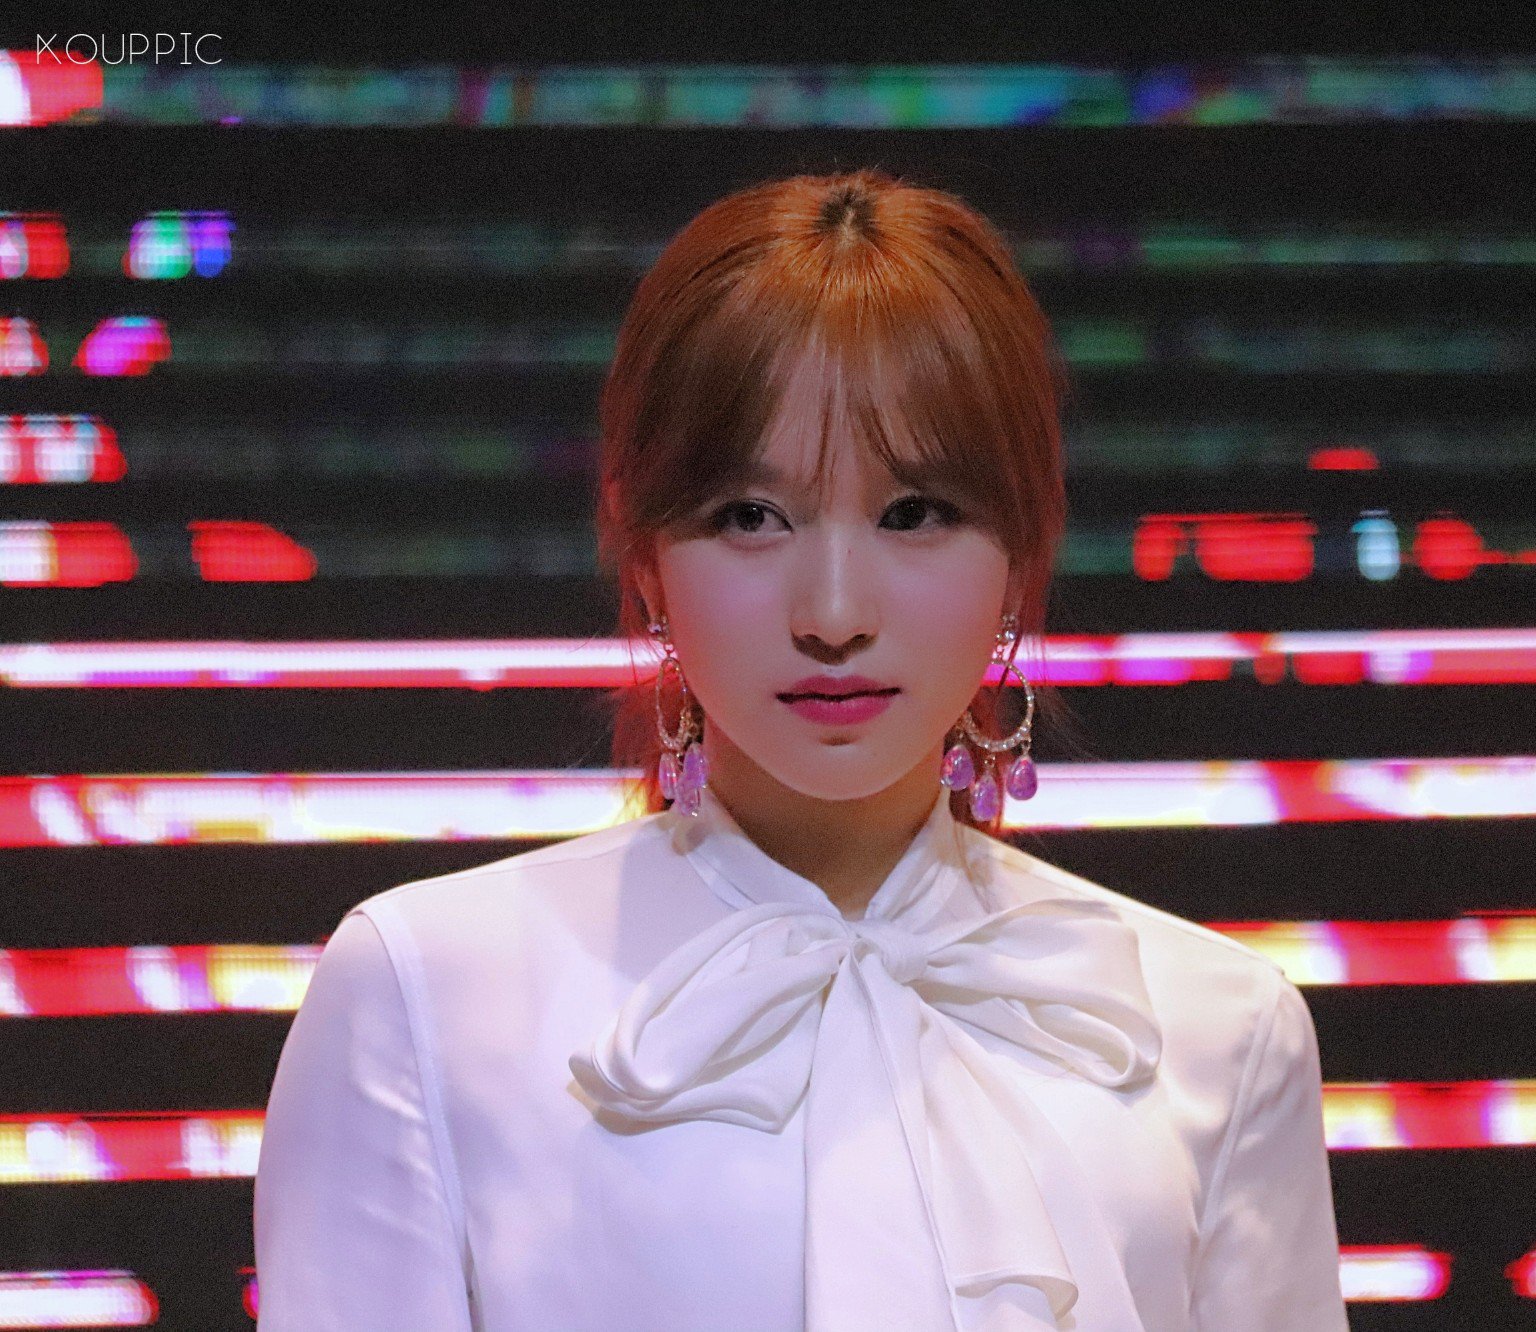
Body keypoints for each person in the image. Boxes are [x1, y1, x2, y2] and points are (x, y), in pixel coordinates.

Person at [252, 168, 1349, 1331]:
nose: (833, 613)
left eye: (914, 514)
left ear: (1021, 554)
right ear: (643, 556)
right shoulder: (425, 995)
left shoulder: (1218, 1028)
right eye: (750, 517)